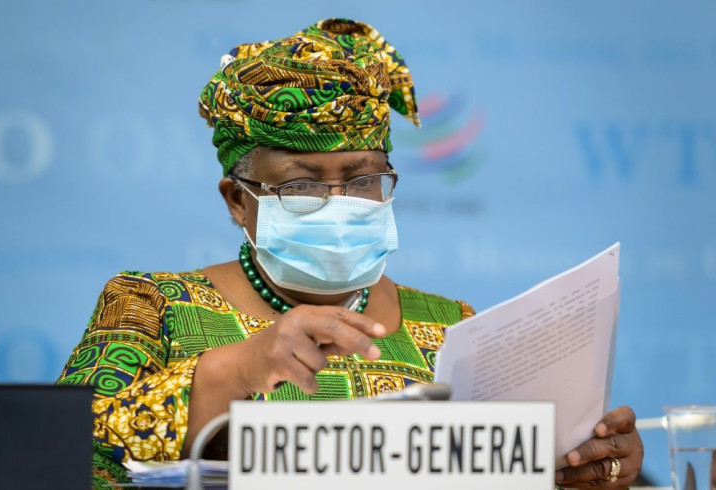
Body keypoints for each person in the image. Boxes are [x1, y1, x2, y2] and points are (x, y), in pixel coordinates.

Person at [58, 18, 643, 489]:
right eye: (303, 184)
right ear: (238, 201)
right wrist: (235, 369)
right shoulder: (151, 306)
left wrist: (578, 470)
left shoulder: (453, 328)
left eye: (363, 180)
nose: (340, 203)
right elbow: (59, 461)